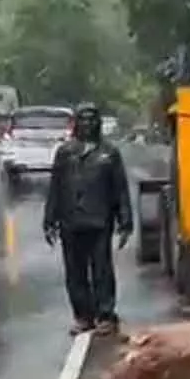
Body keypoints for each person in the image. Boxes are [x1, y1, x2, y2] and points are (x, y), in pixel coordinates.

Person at [43, 102, 134, 336]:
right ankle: (83, 316)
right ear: (76, 124)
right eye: (83, 119)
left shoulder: (109, 153)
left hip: (100, 220)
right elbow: (55, 187)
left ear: (99, 123)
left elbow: (120, 190)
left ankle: (105, 314)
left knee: (102, 270)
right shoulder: (65, 153)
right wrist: (49, 220)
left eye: (92, 119)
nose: (87, 123)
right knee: (75, 272)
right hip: (70, 220)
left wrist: (125, 222)